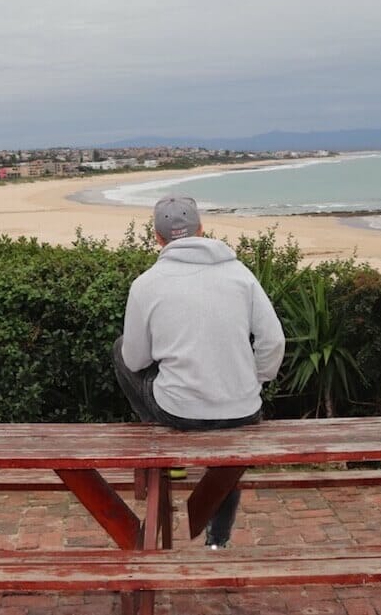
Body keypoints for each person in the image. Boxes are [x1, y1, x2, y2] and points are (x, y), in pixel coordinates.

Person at [113, 195, 285, 548]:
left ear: (157, 237)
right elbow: (273, 340)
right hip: (242, 409)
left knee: (119, 349)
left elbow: (134, 361)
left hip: (178, 411)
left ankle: (157, 434)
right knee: (228, 457)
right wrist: (255, 380)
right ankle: (216, 542)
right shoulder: (240, 273)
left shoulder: (146, 284)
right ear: (202, 229)